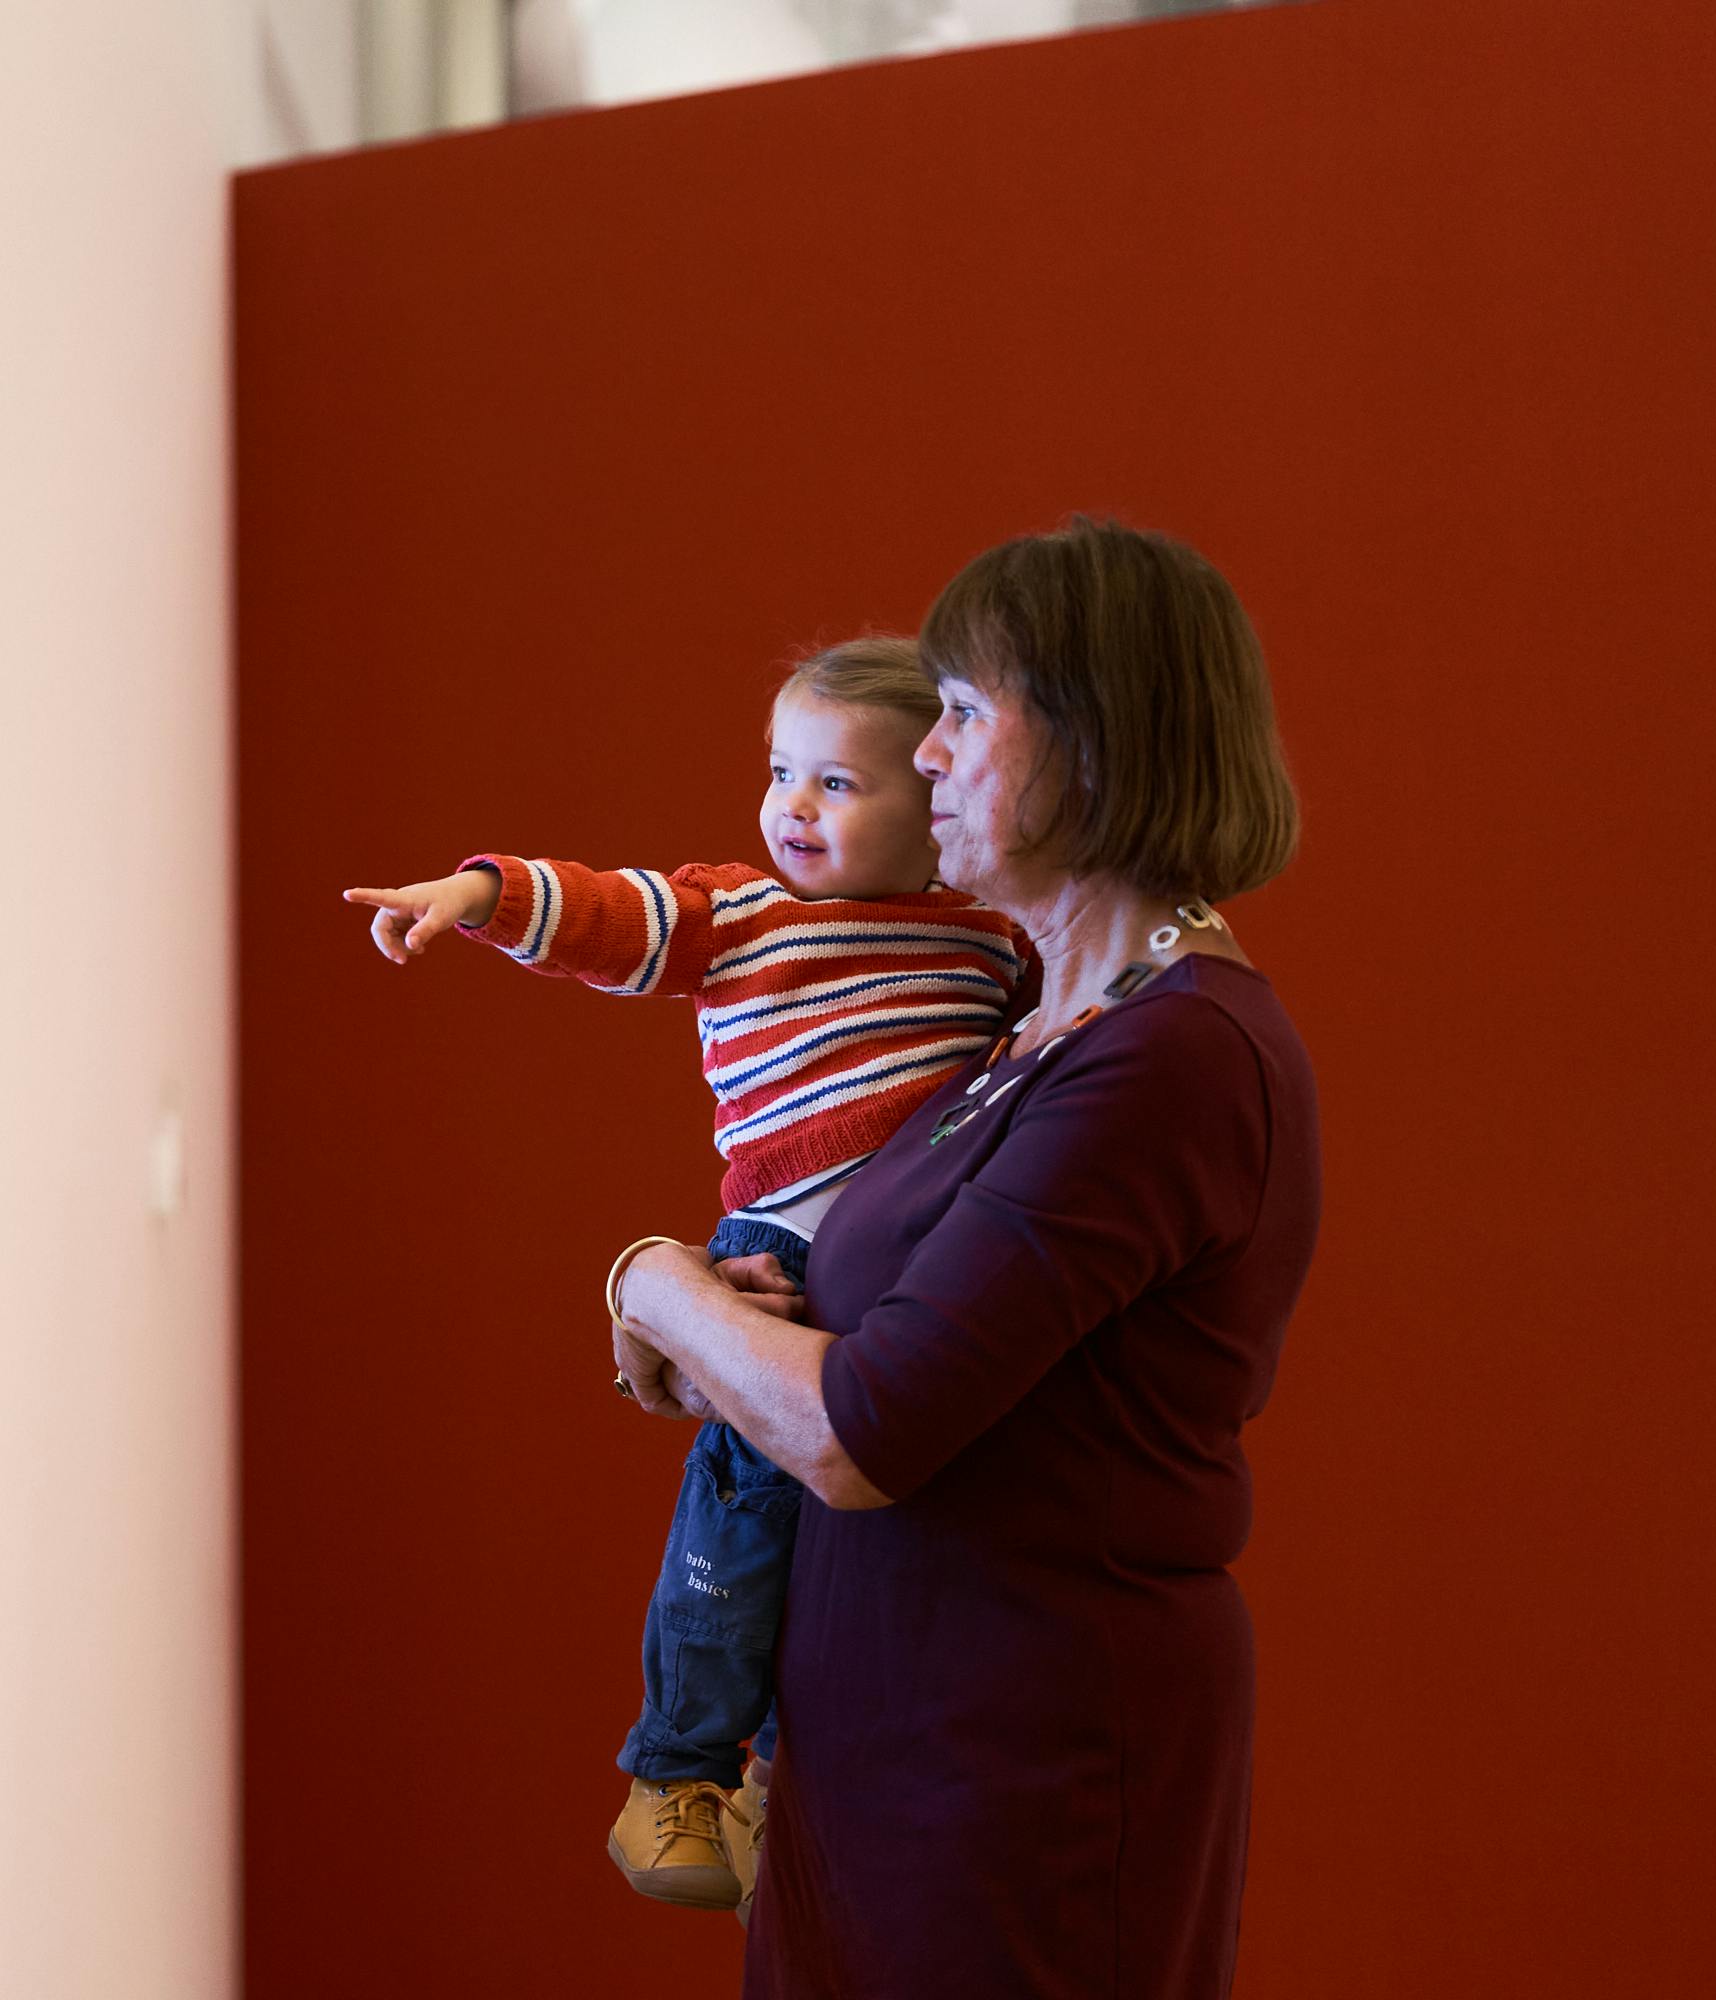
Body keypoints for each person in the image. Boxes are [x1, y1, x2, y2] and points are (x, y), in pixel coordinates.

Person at [607, 517, 1320, 1997]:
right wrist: (744, 1322)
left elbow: (865, 1428)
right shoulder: (1025, 1033)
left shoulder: (1171, 1055)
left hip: (1018, 1776)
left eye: (965, 713)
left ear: (1094, 742)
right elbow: (868, 1340)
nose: (923, 755)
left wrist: (654, 1284)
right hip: (875, 1758)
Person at [342, 637, 1027, 1916]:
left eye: (837, 783)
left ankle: (778, 1766)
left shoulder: (991, 946)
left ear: (938, 806)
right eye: (781, 773)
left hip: (906, 1272)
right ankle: (674, 1769)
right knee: (738, 1522)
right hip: (769, 1260)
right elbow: (610, 913)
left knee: (869, 1549)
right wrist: (483, 894)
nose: (793, 807)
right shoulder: (744, 915)